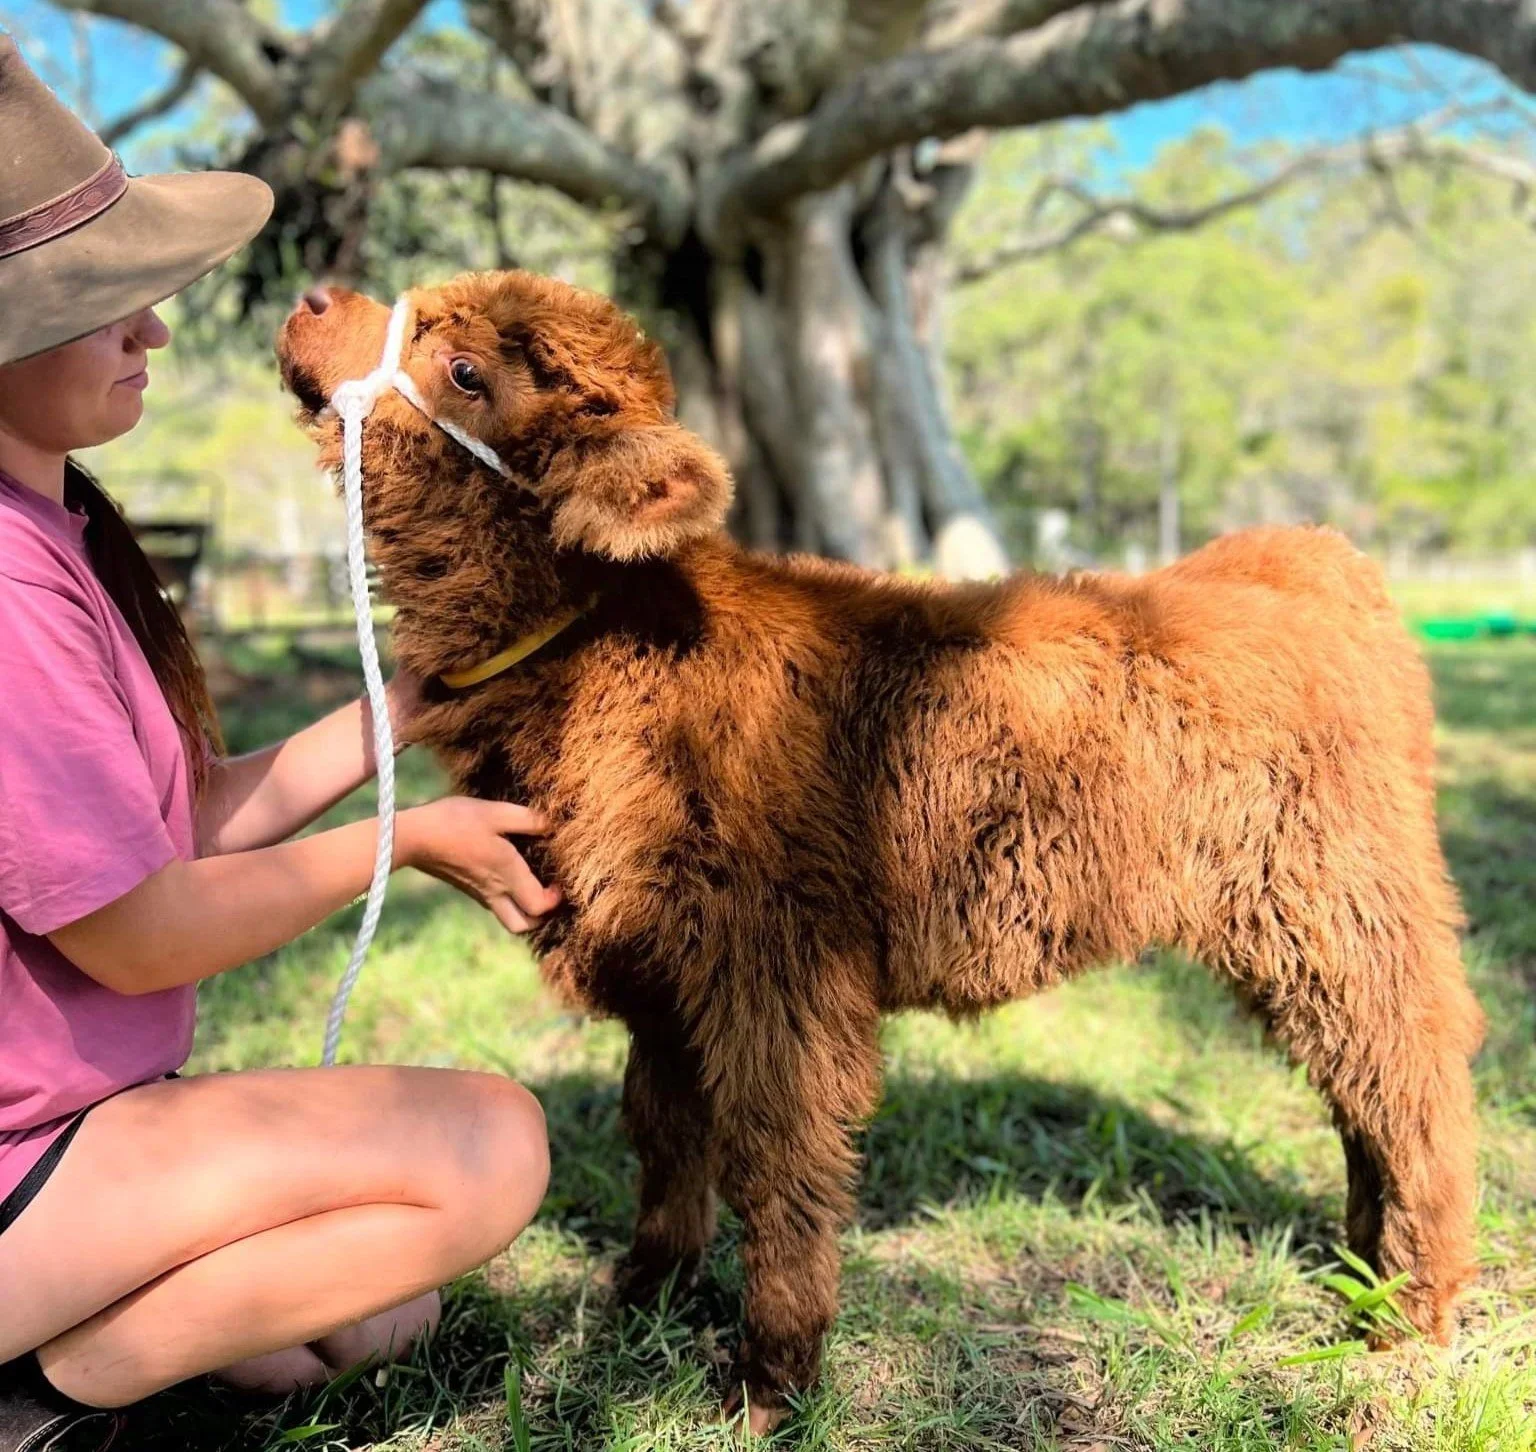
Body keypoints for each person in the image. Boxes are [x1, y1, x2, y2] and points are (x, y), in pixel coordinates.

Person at [0, 36, 560, 1451]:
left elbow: (173, 826)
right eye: (102, 304)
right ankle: (38, 1399)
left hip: (81, 1128)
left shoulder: (57, 538)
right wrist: (400, 841)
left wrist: (403, 708)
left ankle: (84, 1337)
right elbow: (136, 936)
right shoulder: (6, 585)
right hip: (26, 1162)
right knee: (494, 1147)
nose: (155, 332)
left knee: (376, 1318)